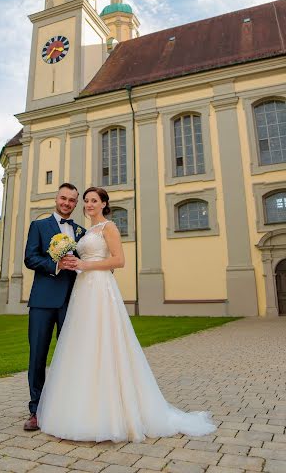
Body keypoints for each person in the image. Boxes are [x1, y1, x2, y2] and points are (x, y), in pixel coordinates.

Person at [36, 186, 217, 442]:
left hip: (100, 287)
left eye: (93, 201)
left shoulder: (109, 227)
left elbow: (119, 260)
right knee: (83, 343)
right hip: (82, 289)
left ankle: (114, 411)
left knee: (105, 341)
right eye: (85, 201)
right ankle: (81, 407)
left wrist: (86, 264)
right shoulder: (85, 232)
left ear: (103, 204)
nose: (88, 205)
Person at [23, 182, 86, 431]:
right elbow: (30, 258)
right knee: (38, 355)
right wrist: (57, 265)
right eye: (63, 198)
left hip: (72, 301)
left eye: (72, 200)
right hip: (42, 302)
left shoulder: (81, 232)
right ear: (56, 198)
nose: (67, 203)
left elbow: (87, 260)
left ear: (76, 203)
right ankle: (36, 410)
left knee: (68, 357)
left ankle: (65, 407)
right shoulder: (39, 226)